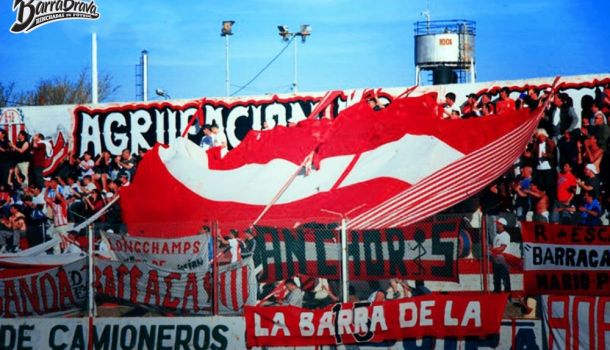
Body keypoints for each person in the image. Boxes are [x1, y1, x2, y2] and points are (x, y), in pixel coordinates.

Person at [491, 218, 511, 294]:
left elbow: (503, 247)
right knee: (496, 278)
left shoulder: (505, 235)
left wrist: (492, 251)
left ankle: (507, 296)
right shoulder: (497, 235)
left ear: (502, 225)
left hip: (503, 260)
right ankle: (497, 293)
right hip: (497, 260)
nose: (496, 225)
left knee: (505, 279)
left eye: (498, 224)